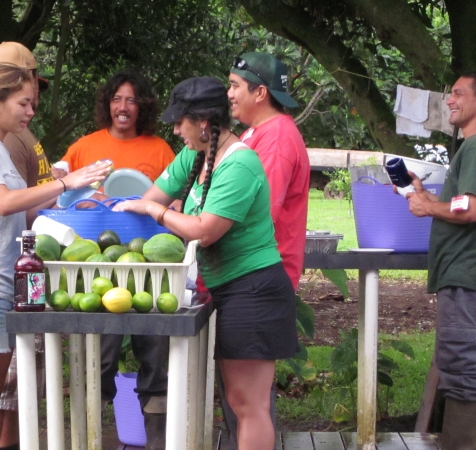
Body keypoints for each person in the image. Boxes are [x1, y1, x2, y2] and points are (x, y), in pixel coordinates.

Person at [113, 77, 298, 449]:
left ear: (202, 122)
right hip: (224, 288)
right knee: (236, 399)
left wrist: (155, 211)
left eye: (179, 121)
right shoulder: (195, 155)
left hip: (254, 289)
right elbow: (151, 197)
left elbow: (204, 230)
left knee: (249, 404)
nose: (175, 130)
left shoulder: (240, 162)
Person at [0, 63, 109, 450]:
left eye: (32, 103)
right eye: (23, 103)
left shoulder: (0, 147)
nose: (31, 111)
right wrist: (64, 182)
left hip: (4, 287)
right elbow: (3, 203)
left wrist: (71, 201)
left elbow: (22, 212)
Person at [59, 69, 176, 449]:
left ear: (143, 107)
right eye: (116, 99)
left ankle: (156, 440)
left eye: (131, 100)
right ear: (107, 104)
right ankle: (92, 436)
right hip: (99, 267)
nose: (123, 107)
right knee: (101, 358)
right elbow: (59, 190)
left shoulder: (160, 149)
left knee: (155, 355)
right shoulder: (85, 146)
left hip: (150, 267)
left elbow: (178, 199)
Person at [403, 72, 476, 450]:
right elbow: (466, 200)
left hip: (465, 274)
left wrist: (428, 208)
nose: (449, 99)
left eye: (459, 93)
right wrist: (425, 195)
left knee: (462, 367)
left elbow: (471, 209)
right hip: (473, 274)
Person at [218, 51, 310, 449]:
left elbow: (256, 213)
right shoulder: (255, 134)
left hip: (257, 279)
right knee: (239, 399)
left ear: (260, 92)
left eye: (235, 86)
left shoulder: (277, 138)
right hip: (239, 276)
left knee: (248, 401)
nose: (228, 94)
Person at [0, 41, 53, 450]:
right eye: (25, 93)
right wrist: (63, 190)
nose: (32, 102)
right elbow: (9, 204)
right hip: (7, 271)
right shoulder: (0, 139)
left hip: (26, 265)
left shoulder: (18, 132)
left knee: (19, 381)